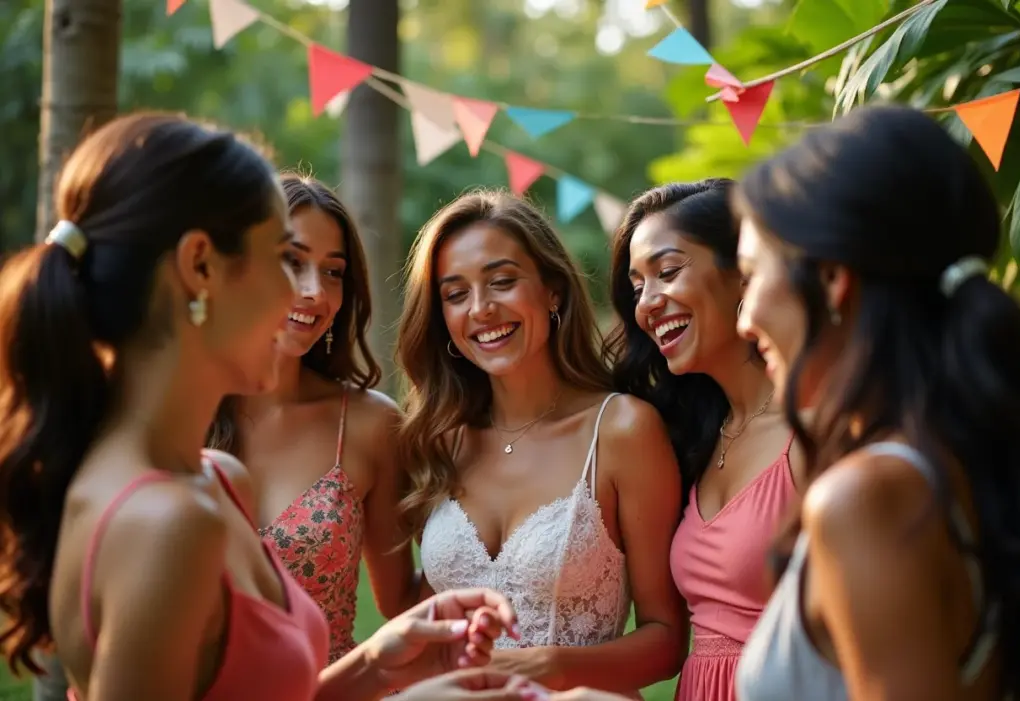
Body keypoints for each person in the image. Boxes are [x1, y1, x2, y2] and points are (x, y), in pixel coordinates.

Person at [0, 111, 518, 701]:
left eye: (330, 272)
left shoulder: (216, 480)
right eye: (281, 257)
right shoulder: (166, 523)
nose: (306, 294)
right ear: (200, 267)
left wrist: (374, 666)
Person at [733, 105, 1020, 700]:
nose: (744, 321)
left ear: (832, 280)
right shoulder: (957, 457)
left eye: (749, 275)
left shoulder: (866, 497)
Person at [397, 190, 686, 695]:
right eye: (455, 294)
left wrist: (550, 667)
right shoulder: (440, 440)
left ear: (552, 291)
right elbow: (424, 621)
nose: (481, 309)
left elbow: (666, 641)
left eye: (502, 282)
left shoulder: (621, 430)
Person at [605, 180, 803, 701]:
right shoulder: (696, 435)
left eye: (667, 272)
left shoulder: (812, 429)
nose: (647, 303)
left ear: (743, 272)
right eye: (637, 285)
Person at [207, 173, 417, 663]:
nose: (314, 292)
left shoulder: (368, 425)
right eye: (292, 262)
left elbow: (401, 603)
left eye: (333, 271)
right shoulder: (179, 408)